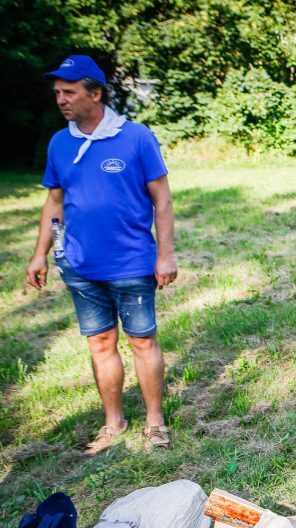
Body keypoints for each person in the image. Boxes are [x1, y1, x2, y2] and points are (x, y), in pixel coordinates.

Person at [24, 55, 177, 454]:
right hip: (79, 265)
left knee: (142, 341)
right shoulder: (60, 142)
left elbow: (161, 199)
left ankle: (155, 421)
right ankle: (113, 422)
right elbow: (54, 202)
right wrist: (40, 254)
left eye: (69, 92)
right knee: (100, 343)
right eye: (57, 93)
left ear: (95, 93)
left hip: (131, 263)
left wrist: (165, 255)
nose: (61, 100)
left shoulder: (137, 137)